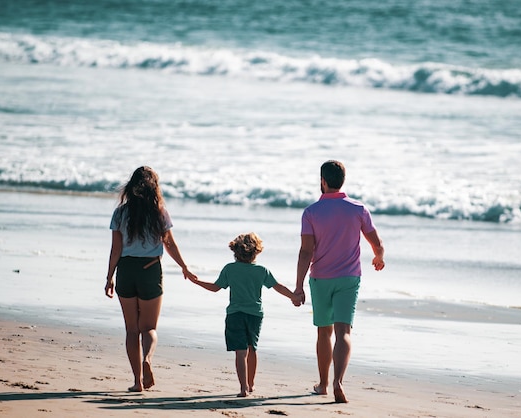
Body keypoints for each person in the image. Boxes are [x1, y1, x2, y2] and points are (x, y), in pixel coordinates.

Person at [293, 160, 385, 403]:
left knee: (324, 332)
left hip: (321, 278)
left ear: (323, 181)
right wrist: (379, 257)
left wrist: (298, 286)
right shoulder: (358, 209)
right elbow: (376, 242)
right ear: (342, 181)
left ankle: (323, 384)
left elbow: (305, 252)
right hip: (349, 277)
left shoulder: (311, 212)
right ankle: (338, 382)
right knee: (344, 331)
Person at [105, 165, 197, 392]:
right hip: (150, 270)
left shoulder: (120, 213)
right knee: (149, 329)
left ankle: (137, 382)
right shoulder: (160, 212)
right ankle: (147, 359)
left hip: (126, 270)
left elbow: (115, 249)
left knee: (131, 330)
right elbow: (170, 243)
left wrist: (109, 277)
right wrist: (184, 267)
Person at [188, 232, 299, 397]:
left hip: (235, 315)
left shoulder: (230, 269)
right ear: (257, 251)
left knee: (240, 352)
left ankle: (243, 388)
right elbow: (278, 286)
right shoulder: (262, 270)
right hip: (255, 315)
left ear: (235, 251)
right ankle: (251, 384)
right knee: (252, 349)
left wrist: (196, 281)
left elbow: (215, 287)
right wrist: (294, 296)